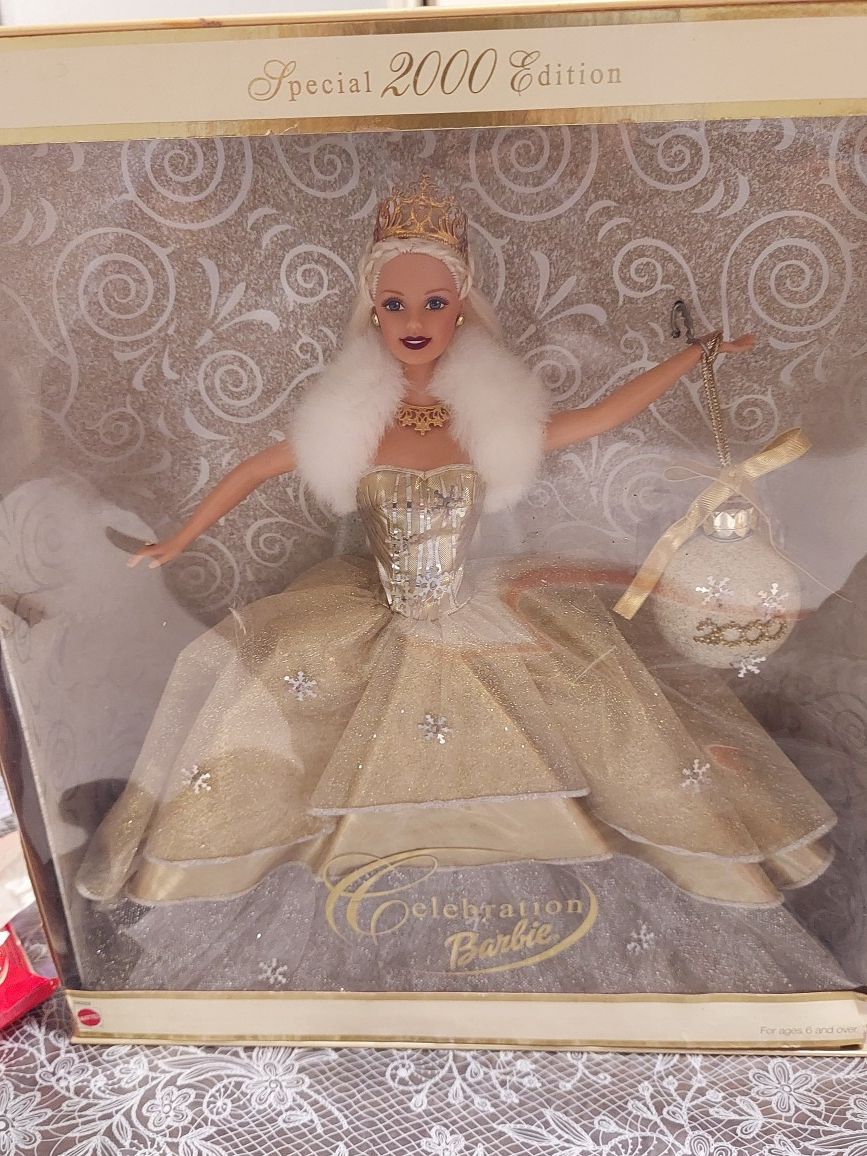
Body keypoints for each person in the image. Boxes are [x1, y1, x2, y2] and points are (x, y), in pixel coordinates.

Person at [75, 177, 834, 915]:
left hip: (475, 606)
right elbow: (254, 469)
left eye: (434, 303)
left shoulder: (487, 422)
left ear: (462, 309)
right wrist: (177, 541)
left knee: (607, 717)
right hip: (377, 612)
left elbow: (602, 417)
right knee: (264, 697)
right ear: (373, 312)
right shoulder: (353, 426)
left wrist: (695, 357)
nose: (414, 320)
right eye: (394, 304)